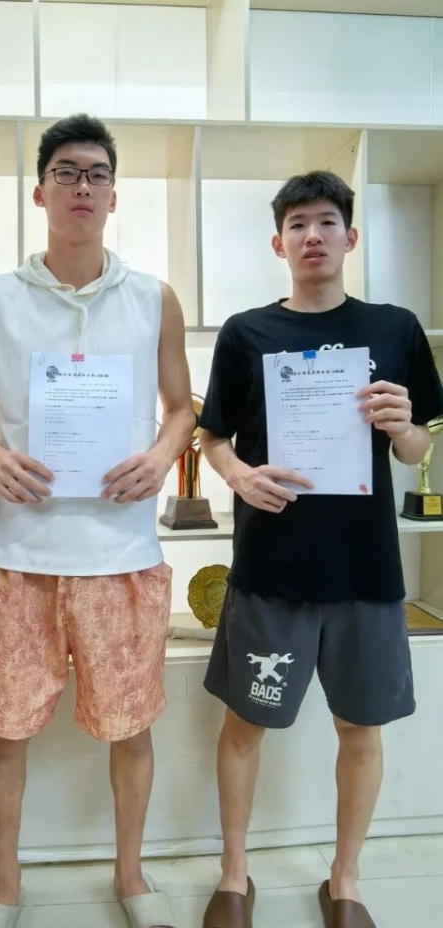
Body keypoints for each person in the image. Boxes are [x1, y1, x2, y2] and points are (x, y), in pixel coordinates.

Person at [0, 113, 195, 928]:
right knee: (4, 729)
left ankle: (131, 876)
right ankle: (5, 884)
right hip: (20, 551)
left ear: (114, 195)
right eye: (65, 172)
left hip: (121, 551)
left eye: (96, 173)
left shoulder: (154, 298)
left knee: (132, 728)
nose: (81, 186)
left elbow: (181, 408)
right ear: (40, 192)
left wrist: (161, 458)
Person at [198, 170, 443, 928]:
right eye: (298, 224)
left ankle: (345, 880)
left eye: (327, 221)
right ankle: (234, 875)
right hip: (271, 567)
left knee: (360, 728)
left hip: (366, 570)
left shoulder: (394, 328)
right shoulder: (246, 333)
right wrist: (239, 476)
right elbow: (212, 437)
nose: (313, 235)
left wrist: (403, 424)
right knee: (246, 725)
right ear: (279, 243)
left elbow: (415, 449)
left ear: (350, 237)